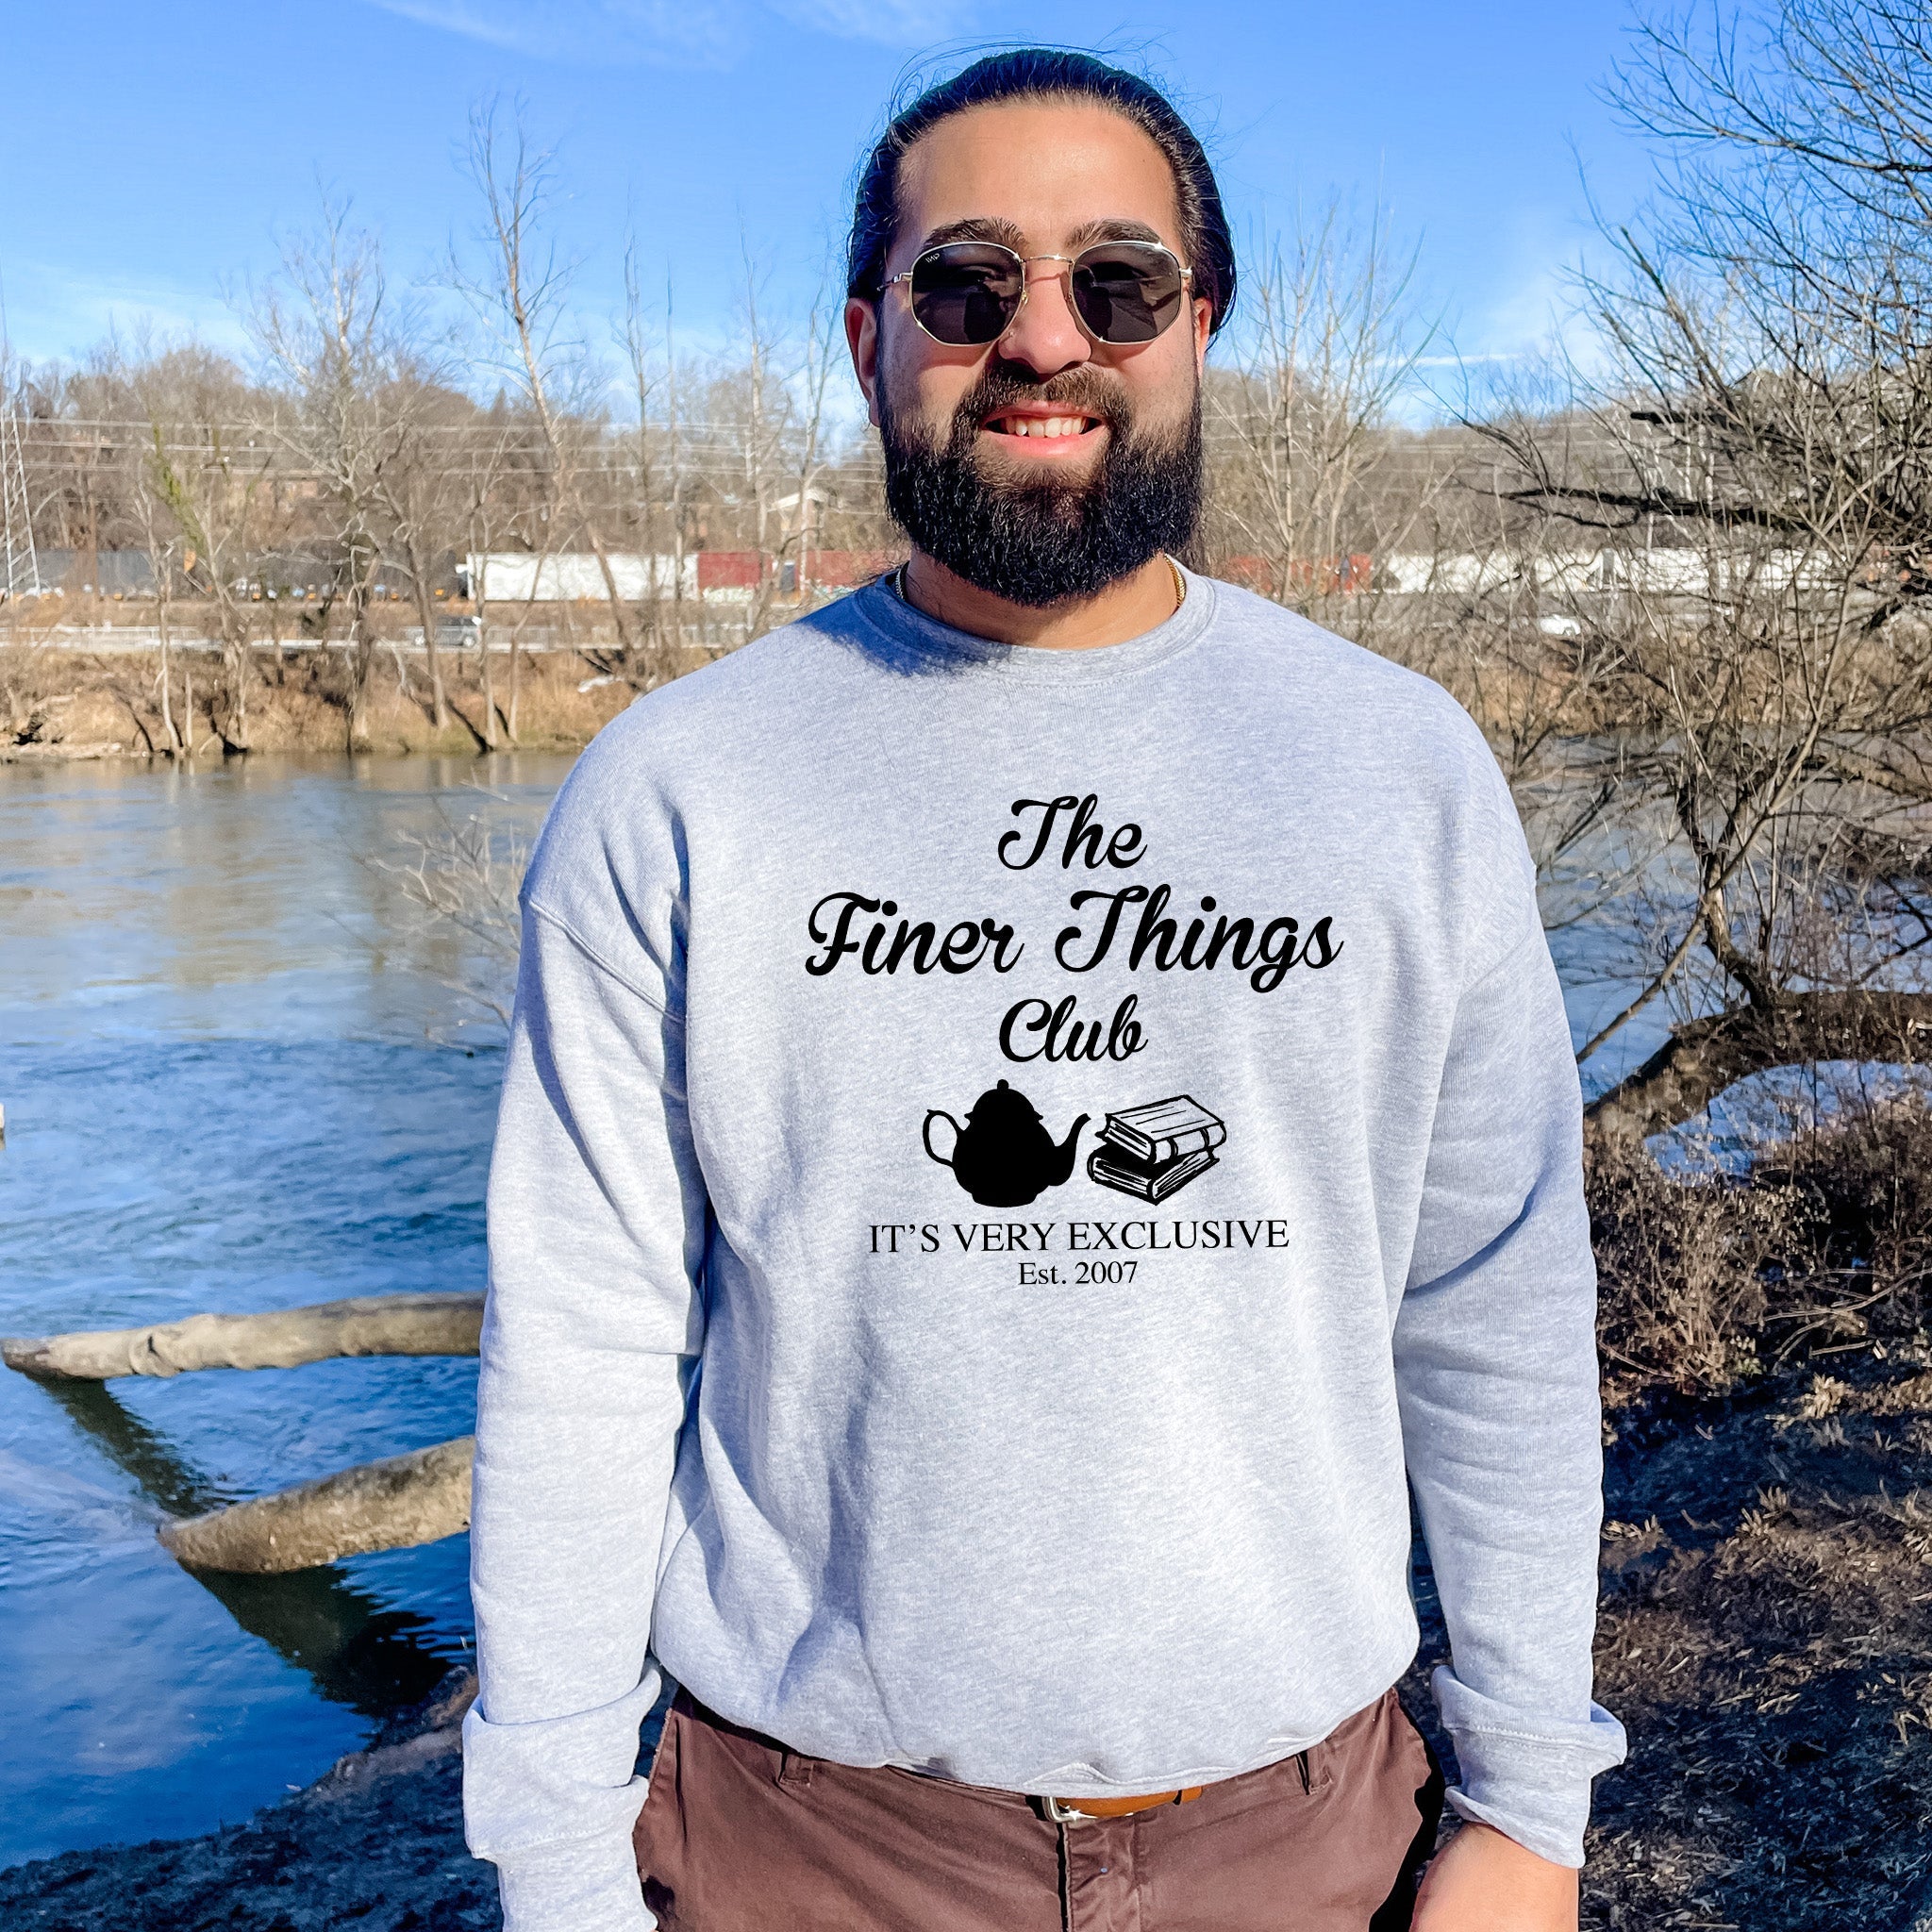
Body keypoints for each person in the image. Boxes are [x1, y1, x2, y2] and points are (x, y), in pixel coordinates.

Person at [461, 47, 1626, 1932]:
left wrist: (1528, 1805)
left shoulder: (1397, 770)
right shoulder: (678, 788)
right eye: (966, 283)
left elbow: (1491, 1308)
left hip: (1314, 1836)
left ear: (1199, 325)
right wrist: (556, 1862)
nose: (1041, 338)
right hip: (803, 1848)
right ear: (869, 338)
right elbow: (584, 1351)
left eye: (1118, 283)